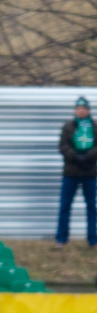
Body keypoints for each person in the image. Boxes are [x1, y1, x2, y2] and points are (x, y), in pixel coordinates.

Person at [56, 96, 97, 248]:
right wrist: (75, 156)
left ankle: (93, 240)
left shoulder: (94, 126)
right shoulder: (68, 126)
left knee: (92, 207)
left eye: (83, 108)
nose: (81, 111)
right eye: (78, 108)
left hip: (90, 172)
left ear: (88, 110)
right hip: (71, 172)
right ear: (75, 110)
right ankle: (61, 239)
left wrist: (87, 156)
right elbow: (62, 146)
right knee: (65, 206)